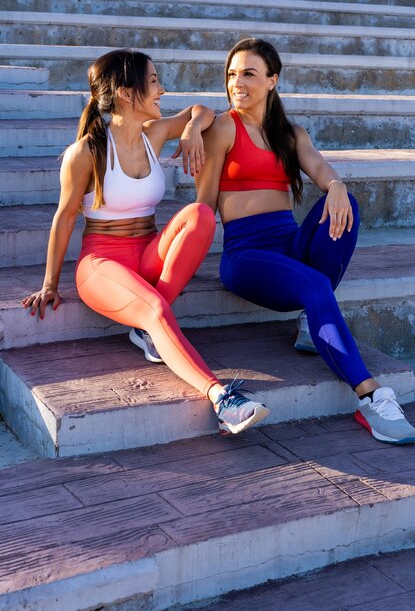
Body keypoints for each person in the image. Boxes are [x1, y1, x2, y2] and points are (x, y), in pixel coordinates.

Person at [22, 48, 269, 436]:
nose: (161, 90)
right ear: (125, 92)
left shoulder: (153, 134)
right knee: (153, 307)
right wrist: (50, 285)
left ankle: (148, 330)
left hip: (148, 253)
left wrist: (189, 132)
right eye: (153, 81)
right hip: (102, 265)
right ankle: (222, 398)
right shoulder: (87, 152)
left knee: (201, 214)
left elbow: (203, 111)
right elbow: (65, 217)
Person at [195, 37, 415, 445]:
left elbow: (317, 166)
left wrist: (334, 184)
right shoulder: (224, 127)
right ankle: (370, 397)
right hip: (246, 256)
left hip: (288, 246)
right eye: (231, 74)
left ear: (272, 80)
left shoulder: (291, 133)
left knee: (344, 204)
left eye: (248, 73)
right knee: (315, 285)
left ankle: (311, 320)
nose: (237, 82)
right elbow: (204, 203)